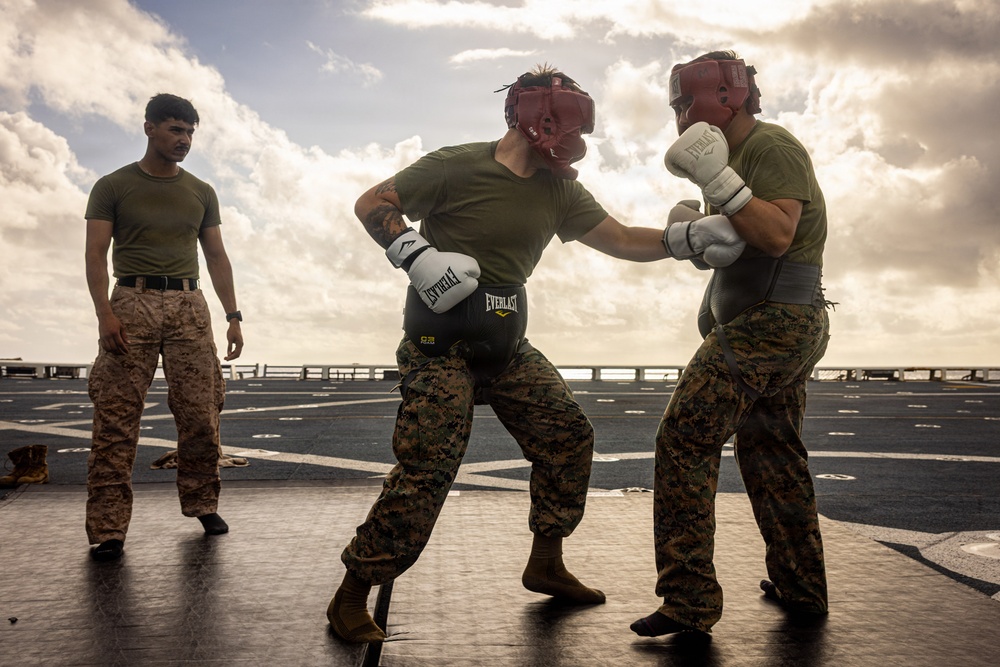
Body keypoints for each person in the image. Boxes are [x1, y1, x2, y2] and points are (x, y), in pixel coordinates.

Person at [327, 64, 747, 643]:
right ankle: (351, 594)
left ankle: (545, 562)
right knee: (427, 469)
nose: (578, 140)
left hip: (506, 347)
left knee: (568, 437)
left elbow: (620, 238)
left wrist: (686, 239)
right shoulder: (456, 165)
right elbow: (372, 201)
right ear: (536, 115)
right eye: (571, 124)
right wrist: (416, 255)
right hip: (438, 350)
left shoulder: (560, 188)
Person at [631, 51, 832, 638]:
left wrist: (719, 187)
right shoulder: (729, 156)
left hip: (770, 324)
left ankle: (688, 601)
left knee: (683, 438)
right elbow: (735, 246)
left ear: (729, 96)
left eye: (683, 101)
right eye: (673, 104)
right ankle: (801, 584)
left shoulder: (770, 147)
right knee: (772, 454)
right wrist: (694, 230)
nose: (677, 114)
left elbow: (775, 233)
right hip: (765, 320)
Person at [84, 93, 244, 562]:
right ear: (150, 128)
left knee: (200, 413)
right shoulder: (112, 186)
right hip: (130, 301)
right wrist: (104, 314)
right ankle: (108, 529)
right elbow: (95, 254)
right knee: (116, 419)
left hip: (189, 305)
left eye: (190, 132)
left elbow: (216, 256)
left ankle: (202, 503)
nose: (184, 140)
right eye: (175, 129)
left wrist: (234, 316)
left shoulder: (200, 191)